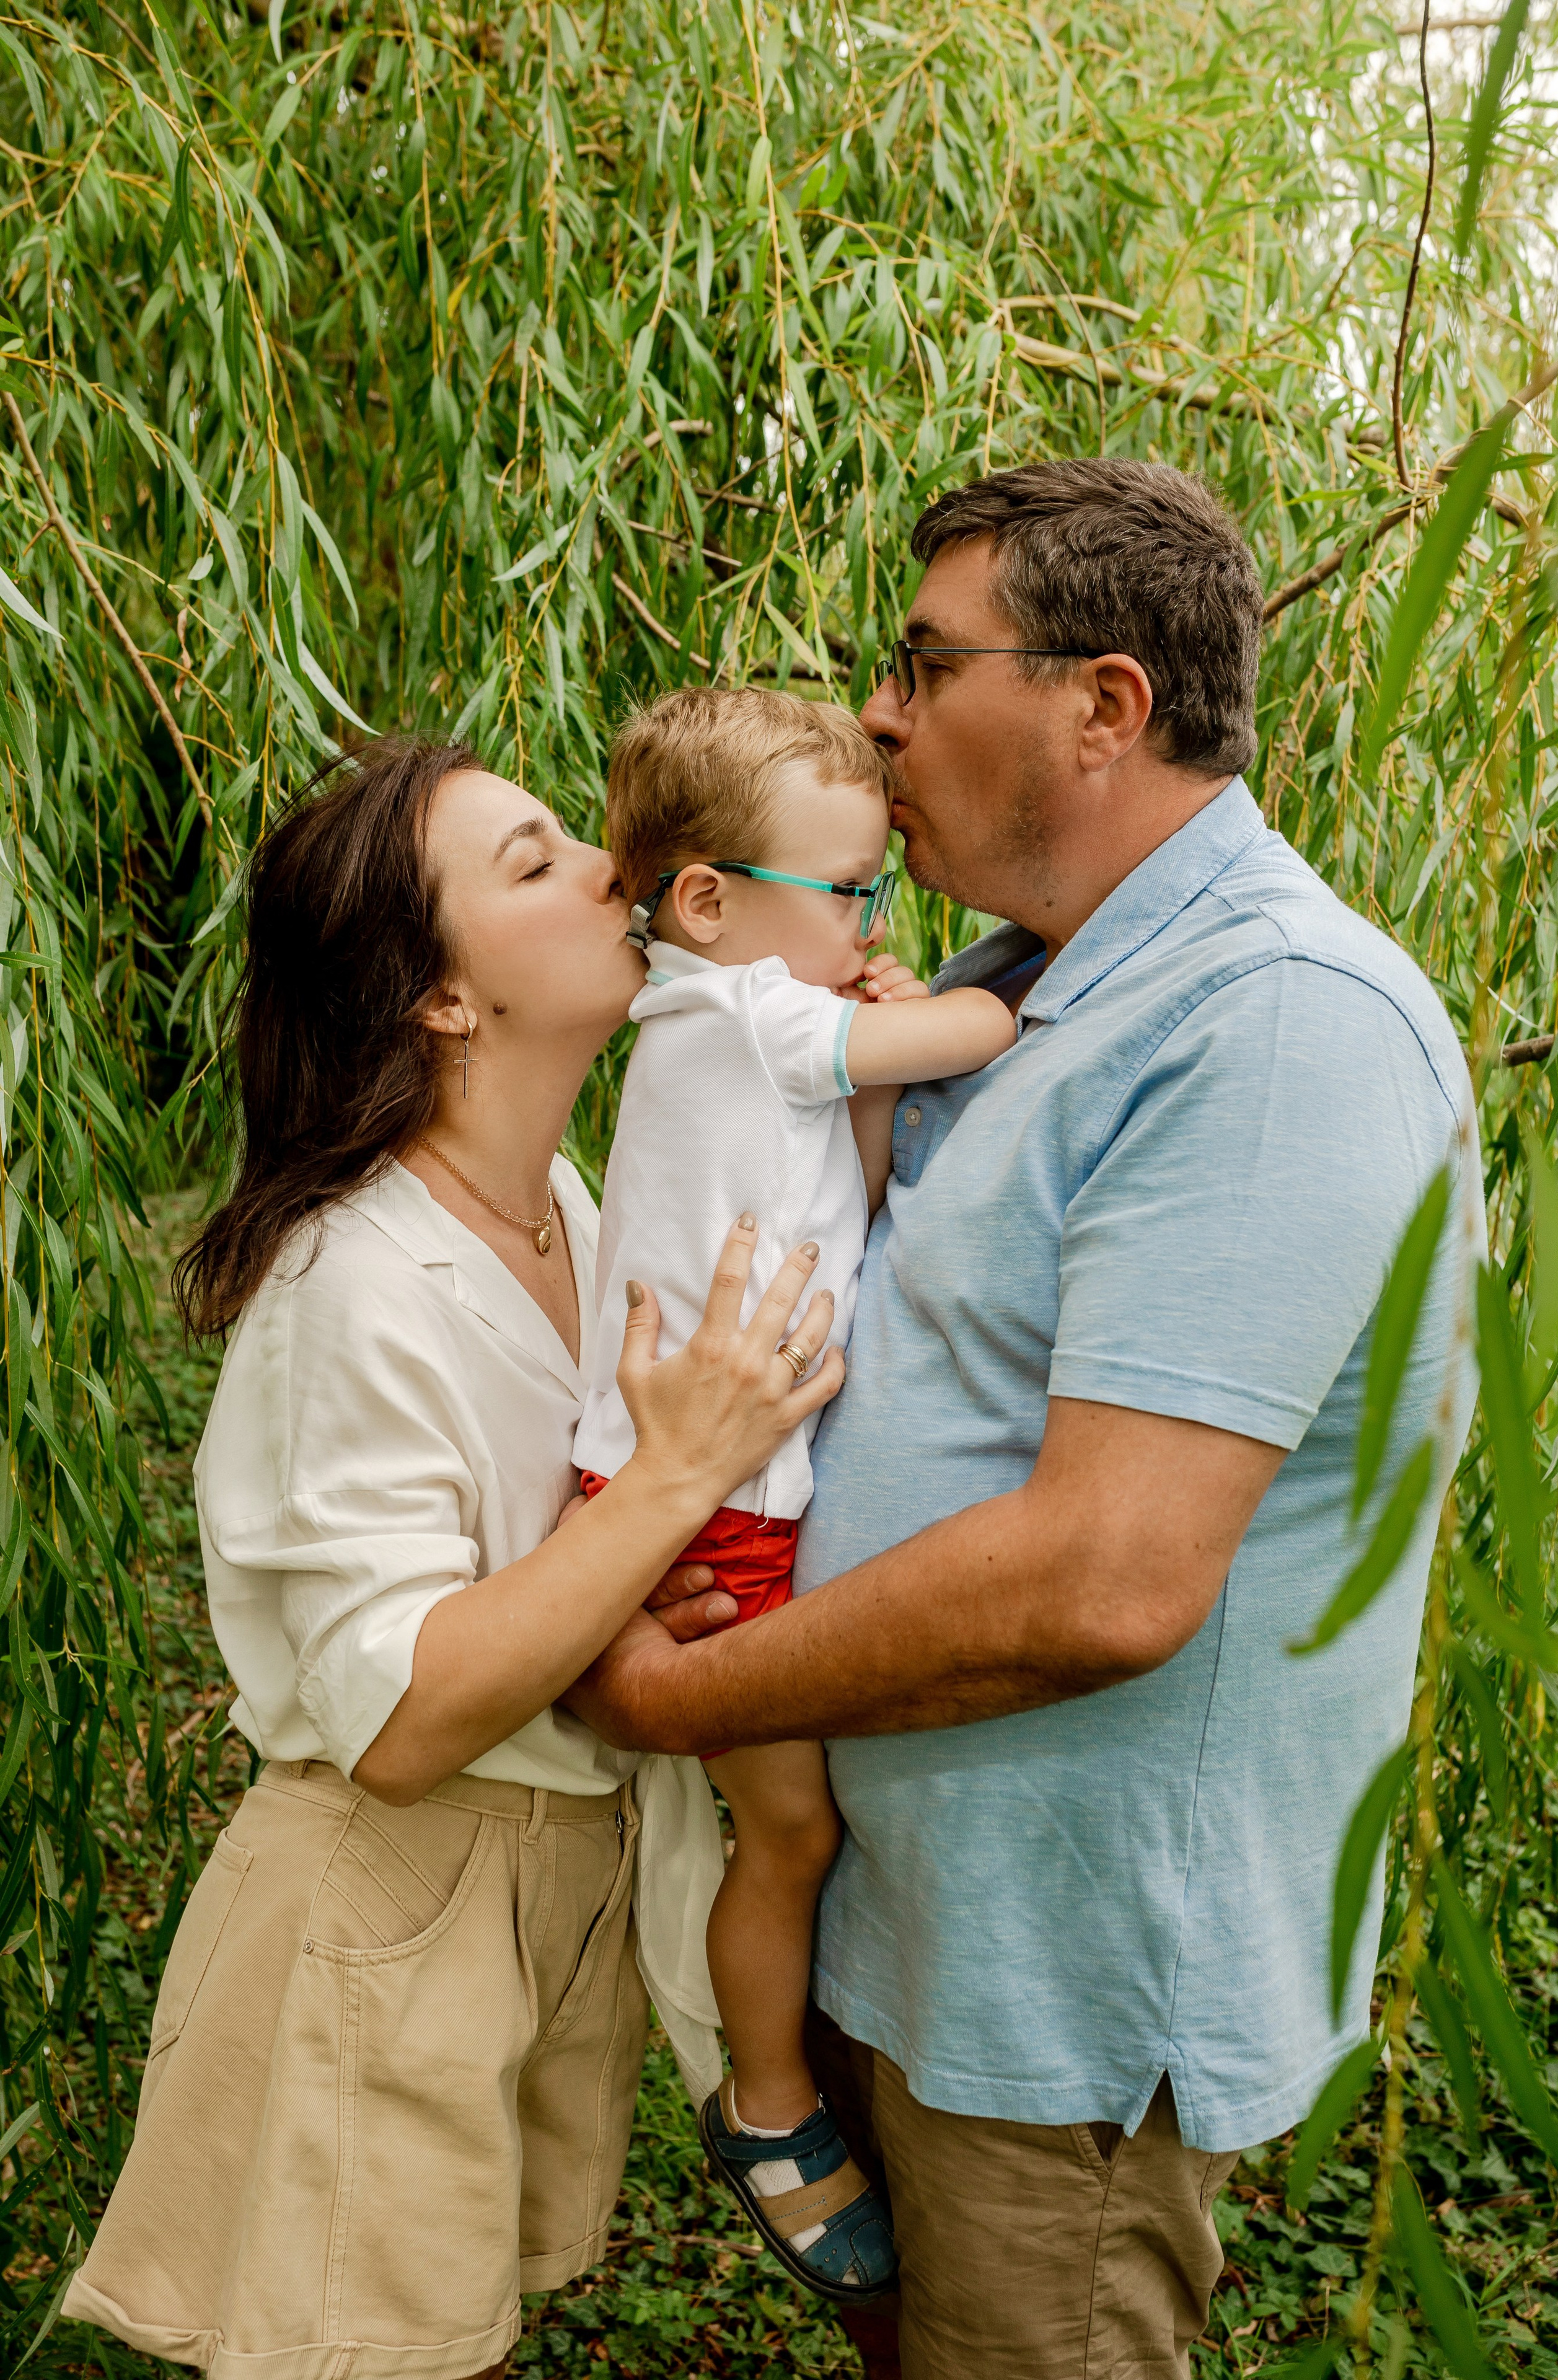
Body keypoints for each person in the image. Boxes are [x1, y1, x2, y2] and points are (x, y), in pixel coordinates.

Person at [565, 459, 1484, 2379]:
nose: (879, 714)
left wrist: (661, 1695)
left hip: (1050, 1994)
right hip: (917, 1934)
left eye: (923, 662)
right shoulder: (1021, 981)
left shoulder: (1277, 1026)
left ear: (1106, 704)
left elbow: (1105, 1578)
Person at [61, 736, 845, 2380]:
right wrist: (674, 1484)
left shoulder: (560, 1197)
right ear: (441, 998)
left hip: (535, 1901)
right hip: (382, 1915)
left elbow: (543, 1559)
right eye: (537, 859)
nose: (610, 871)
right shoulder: (354, 1282)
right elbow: (408, 1718)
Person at [574, 687, 1014, 2299]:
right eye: (855, 892)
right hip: (723, 1505)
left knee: (789, 1825)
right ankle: (768, 2106)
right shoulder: (731, 1013)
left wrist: (879, 1046)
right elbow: (957, 1037)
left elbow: (862, 1174)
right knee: (794, 1829)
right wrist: (1012, 1008)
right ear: (707, 901)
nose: (877, 924)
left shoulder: (755, 1027)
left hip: (734, 1489)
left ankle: (775, 2071)